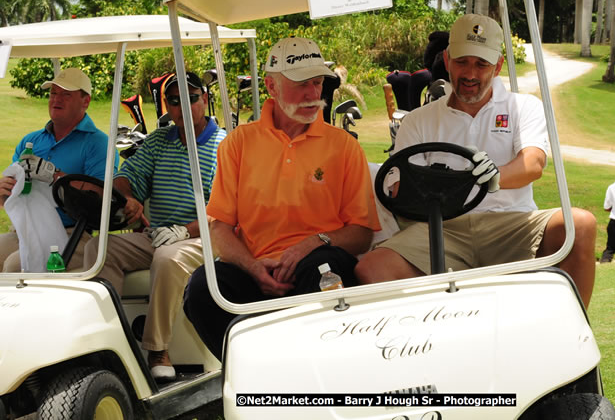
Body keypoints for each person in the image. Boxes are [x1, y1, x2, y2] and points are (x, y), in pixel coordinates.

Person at [355, 14, 597, 308]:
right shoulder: (418, 121)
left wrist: (494, 177)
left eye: (481, 64)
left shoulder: (523, 107)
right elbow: (398, 188)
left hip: (510, 223)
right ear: (447, 60)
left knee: (581, 225)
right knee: (371, 269)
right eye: (462, 62)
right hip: (442, 229)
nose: (470, 73)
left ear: (497, 66)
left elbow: (533, 164)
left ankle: (570, 335)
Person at [183, 37, 380, 360]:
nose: (312, 94)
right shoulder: (238, 144)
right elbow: (219, 228)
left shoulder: (343, 146)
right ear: (271, 87)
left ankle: (311, 374)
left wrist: (312, 243)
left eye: (317, 83)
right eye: (301, 84)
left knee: (324, 273)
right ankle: (252, 375)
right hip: (255, 266)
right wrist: (253, 267)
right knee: (202, 288)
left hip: (318, 261)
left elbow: (361, 234)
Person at [82, 72, 224, 380]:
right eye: (174, 100)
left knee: (167, 258)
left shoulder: (223, 144)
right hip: (159, 234)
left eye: (191, 97)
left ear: (204, 99)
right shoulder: (160, 140)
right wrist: (130, 198)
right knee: (99, 248)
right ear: (168, 106)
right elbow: (126, 177)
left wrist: (184, 231)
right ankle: (106, 343)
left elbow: (226, 211)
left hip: (207, 237)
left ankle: (157, 349)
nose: (183, 105)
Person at [0, 68, 116, 272]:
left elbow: (100, 197)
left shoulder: (98, 144)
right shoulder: (31, 141)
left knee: (15, 267)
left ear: (85, 101)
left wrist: (55, 175)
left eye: (66, 95)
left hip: (73, 234)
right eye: (53, 93)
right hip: (26, 229)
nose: (56, 100)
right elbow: (13, 196)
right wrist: (4, 191)